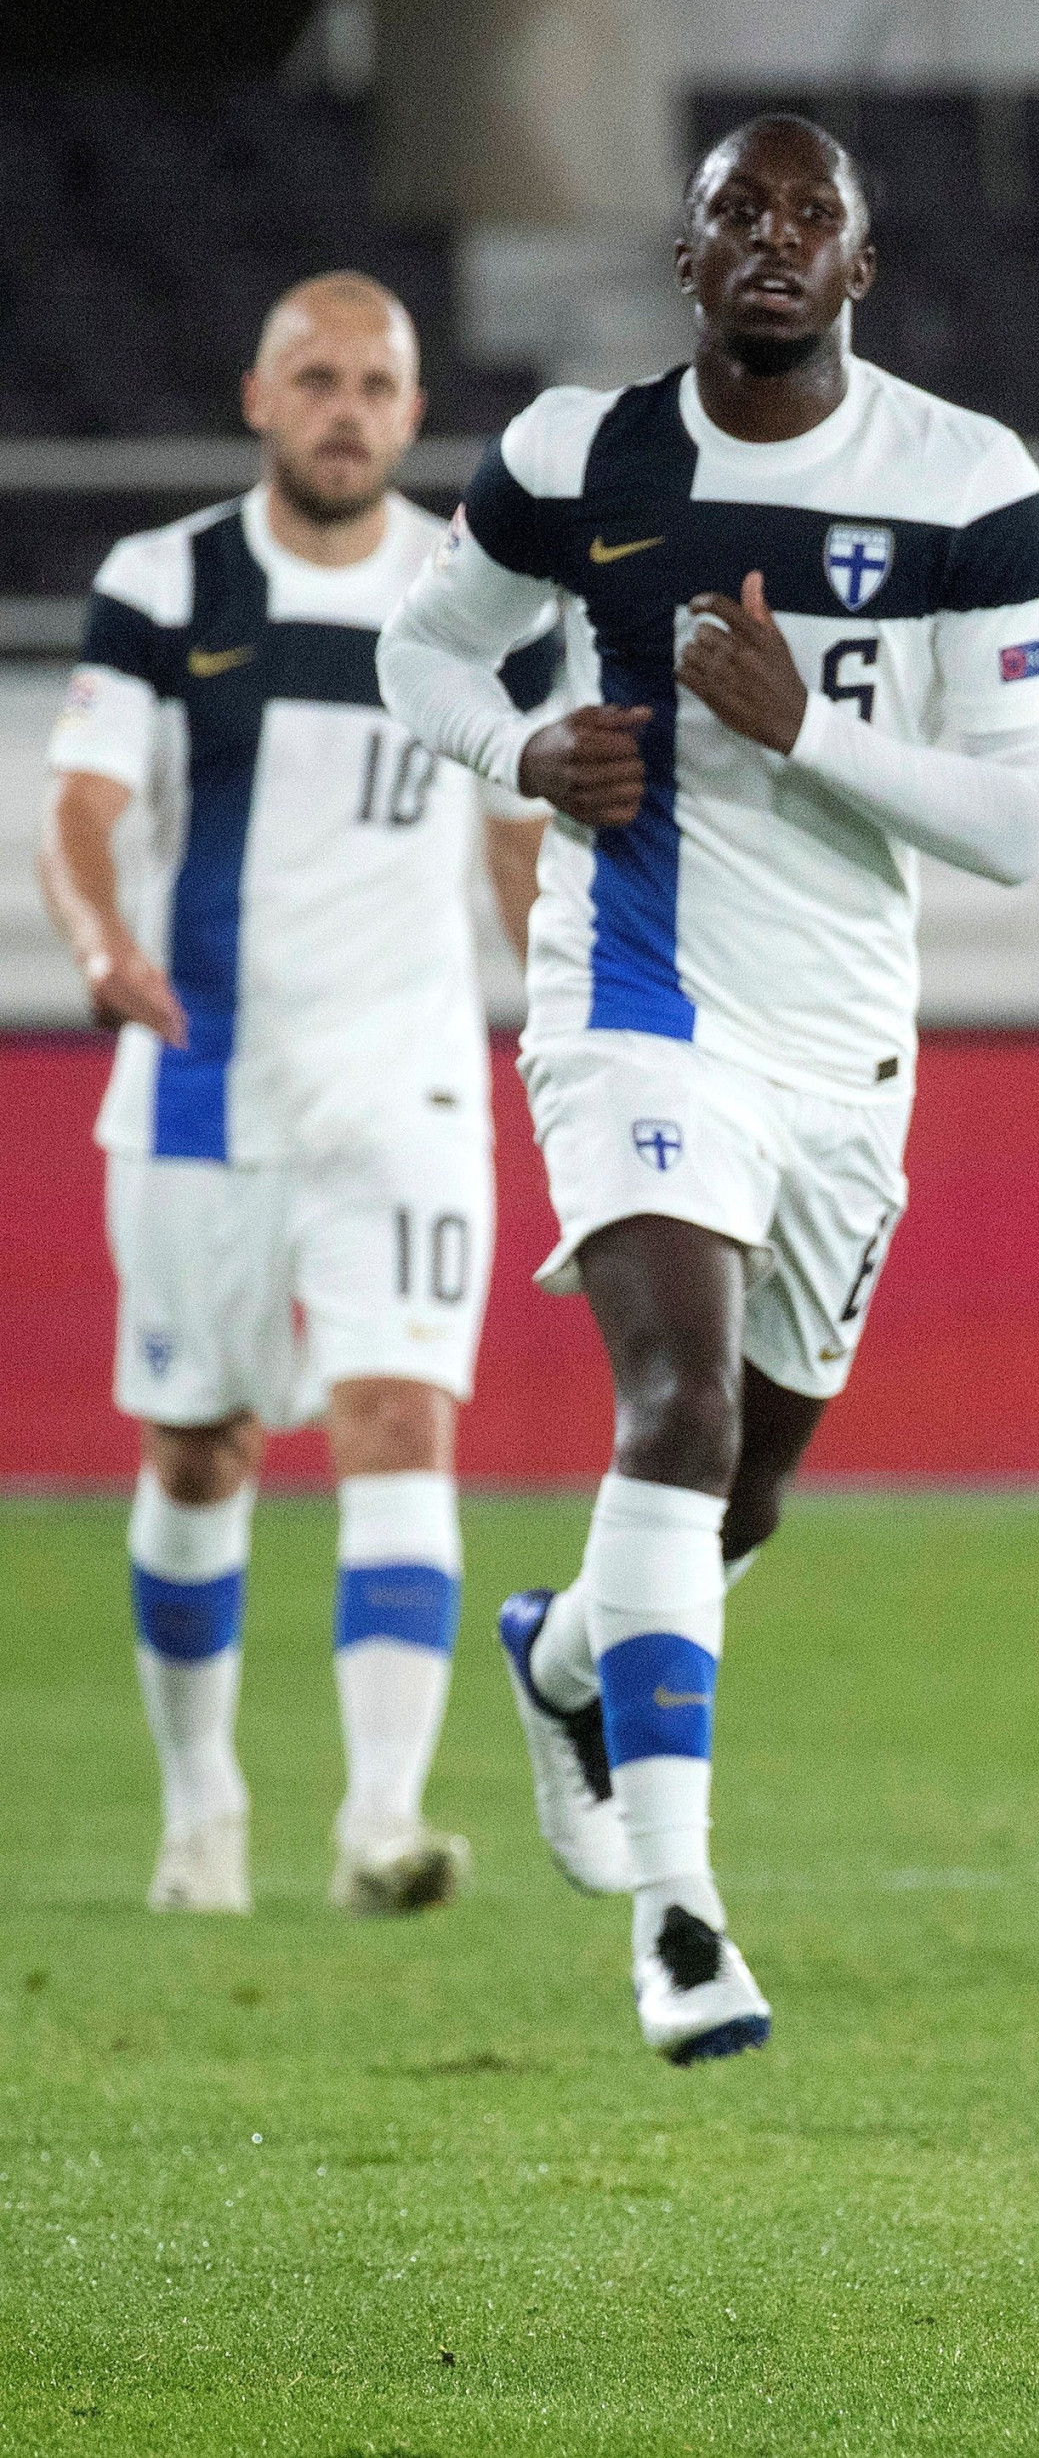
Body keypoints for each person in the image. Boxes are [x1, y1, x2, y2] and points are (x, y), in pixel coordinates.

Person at [380, 114, 1039, 2063]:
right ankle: (679, 1924)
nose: (770, 239)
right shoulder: (570, 459)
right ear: (683, 263)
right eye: (732, 214)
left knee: (742, 1488)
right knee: (669, 1405)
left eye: (808, 215)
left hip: (845, 1052)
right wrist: (525, 757)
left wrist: (814, 727)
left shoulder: (967, 484)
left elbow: (1023, 823)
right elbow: (422, 662)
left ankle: (568, 1656)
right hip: (634, 1000)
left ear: (860, 265)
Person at [36, 274, 560, 1919]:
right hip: (201, 1084)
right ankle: (203, 1812)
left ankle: (382, 1823)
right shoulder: (163, 580)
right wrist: (102, 938)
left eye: (377, 384)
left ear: (414, 414)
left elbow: (517, 849)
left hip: (405, 1084)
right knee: (200, 1453)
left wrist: (578, 1020)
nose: (345, 408)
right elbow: (83, 803)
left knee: (401, 1416)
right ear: (259, 398)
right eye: (314, 378)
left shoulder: (477, 604)